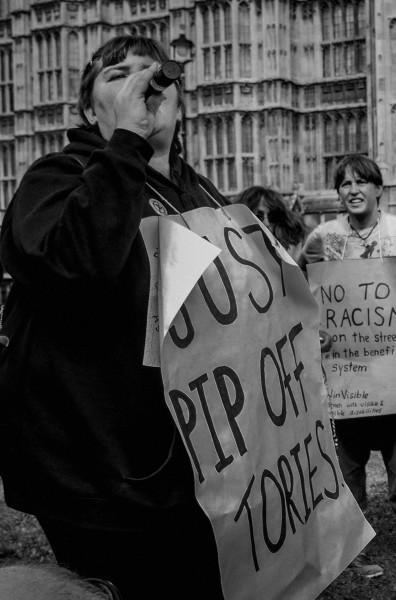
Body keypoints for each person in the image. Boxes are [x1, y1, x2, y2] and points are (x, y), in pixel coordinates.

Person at [0, 36, 228, 599]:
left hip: (188, 469)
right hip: (97, 476)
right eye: (117, 75)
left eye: (153, 75)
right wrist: (125, 142)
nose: (140, 85)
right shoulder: (56, 178)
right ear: (88, 110)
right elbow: (72, 265)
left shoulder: (199, 193)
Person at [301, 155, 396, 577]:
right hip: (344, 363)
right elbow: (299, 279)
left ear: (378, 189)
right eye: (345, 184)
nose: (353, 190)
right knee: (346, 451)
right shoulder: (322, 237)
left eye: (361, 182)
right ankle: (351, 538)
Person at [235, 185, 307, 261]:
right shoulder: (230, 254)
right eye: (258, 216)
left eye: (272, 217)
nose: (266, 223)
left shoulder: (288, 252)